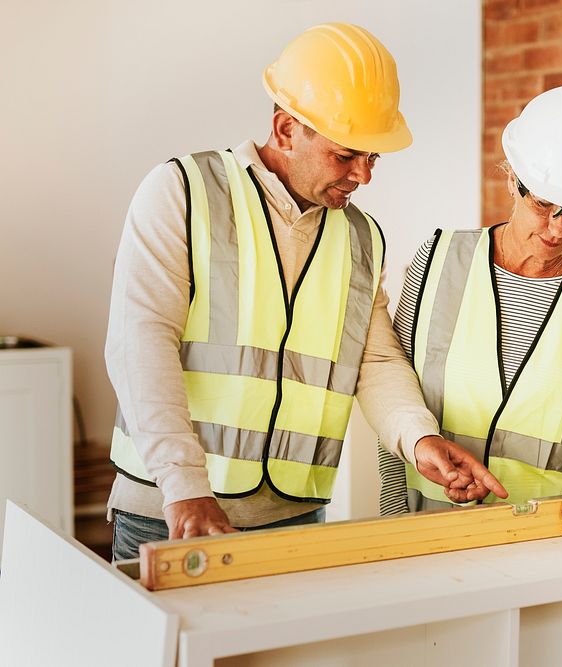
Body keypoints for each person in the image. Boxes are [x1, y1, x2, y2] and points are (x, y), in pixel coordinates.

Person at [105, 22, 505, 561]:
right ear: (287, 129)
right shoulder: (184, 193)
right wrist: (184, 486)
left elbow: (377, 361)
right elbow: (140, 342)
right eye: (347, 156)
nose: (364, 176)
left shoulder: (360, 237)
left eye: (373, 158)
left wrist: (419, 439)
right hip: (171, 513)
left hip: (294, 516)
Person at [378, 83, 562, 534]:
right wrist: (391, 523)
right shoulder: (436, 261)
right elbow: (396, 397)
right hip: (428, 530)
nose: (556, 229)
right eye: (543, 203)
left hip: (547, 535)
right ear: (512, 178)